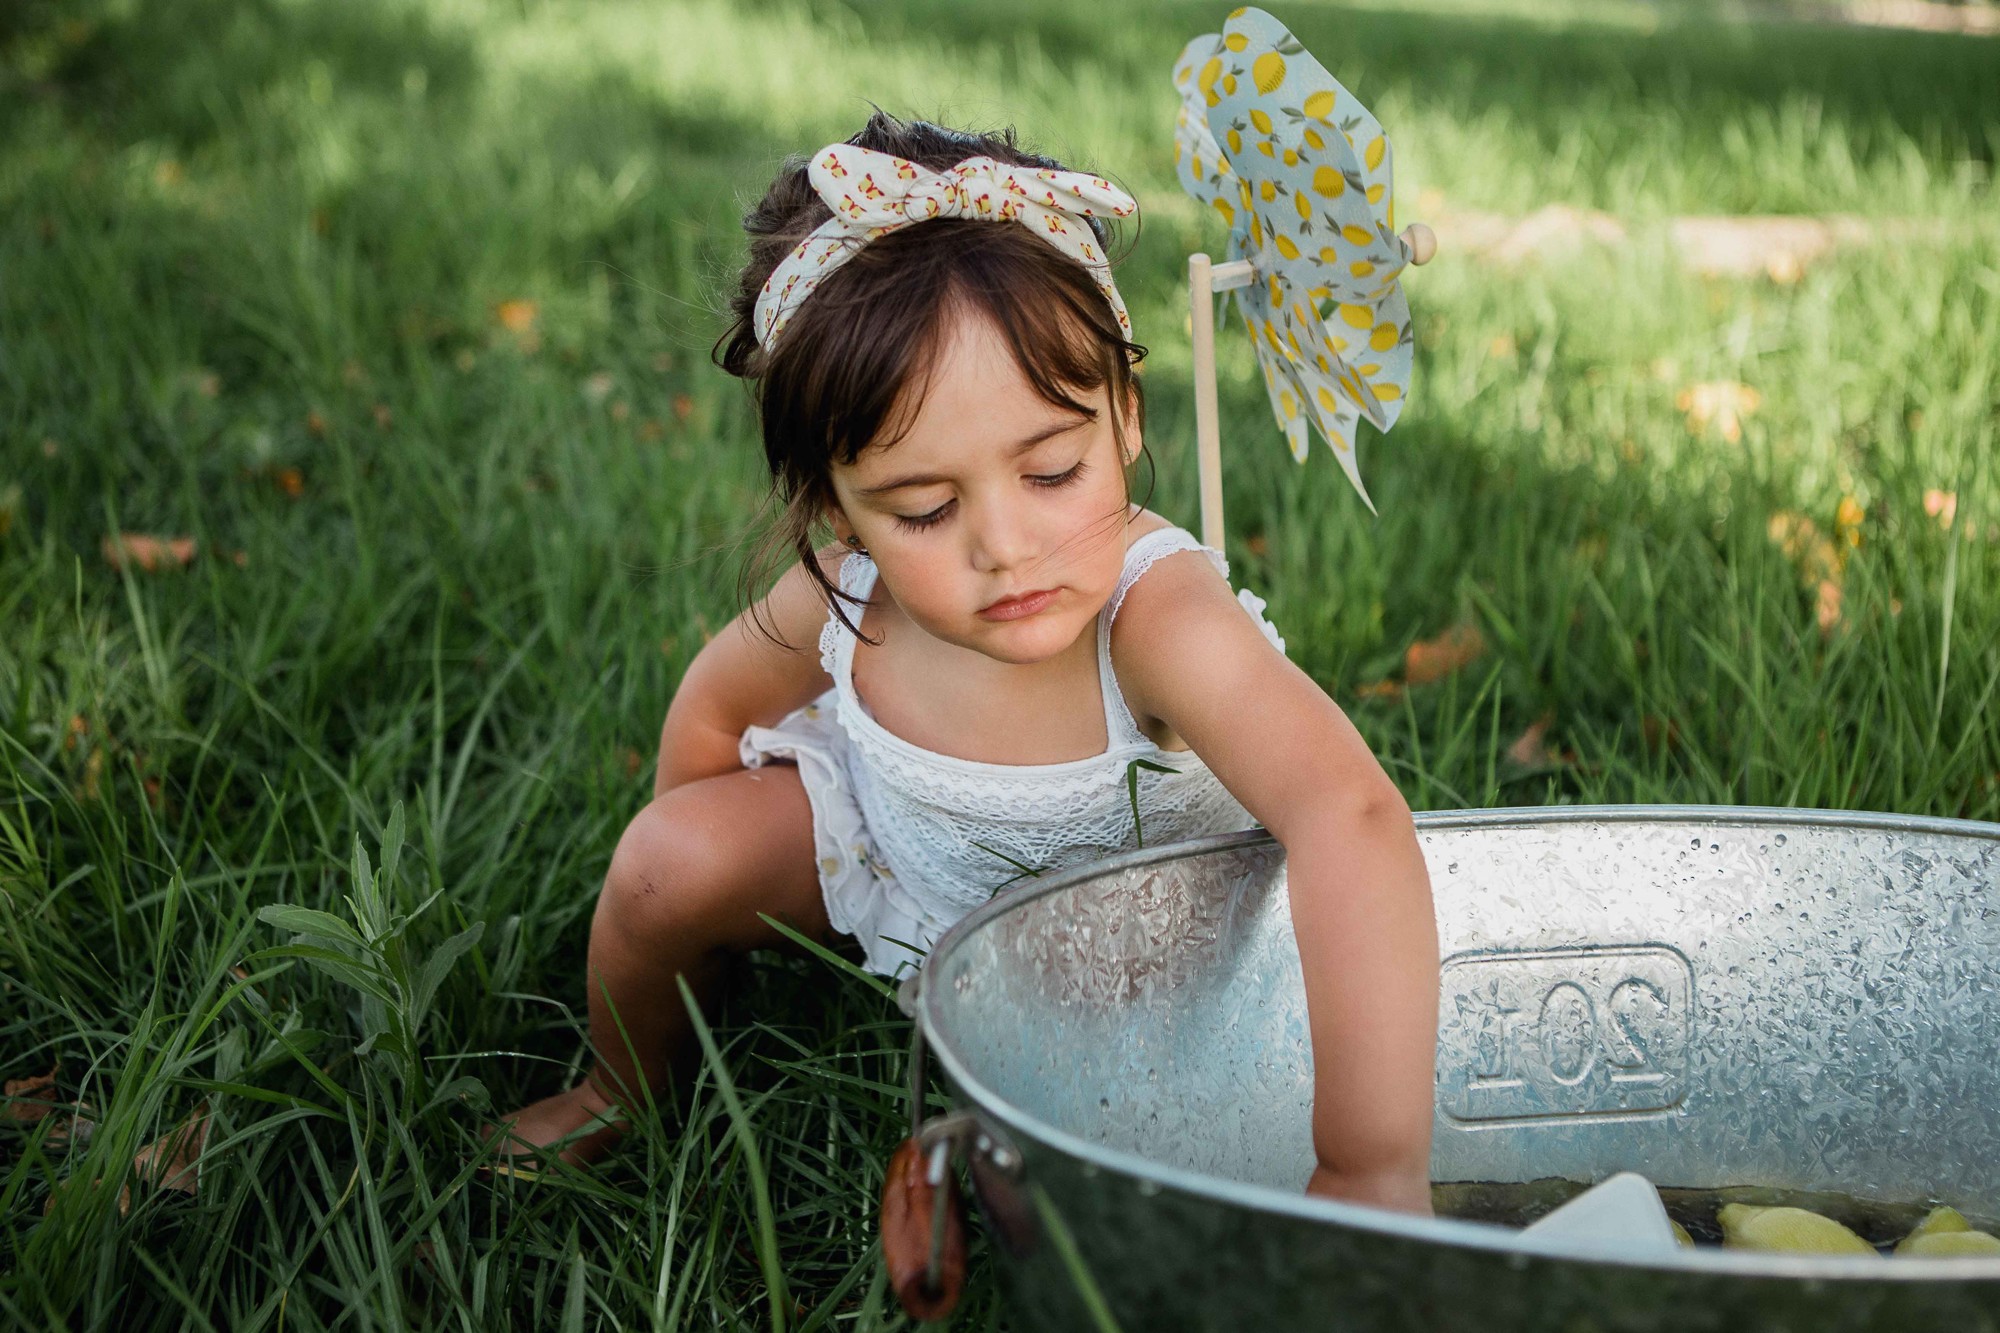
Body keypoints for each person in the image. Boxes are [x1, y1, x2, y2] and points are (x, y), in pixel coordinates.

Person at [492, 112, 1439, 1215]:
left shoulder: (1154, 615)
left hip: (1169, 952)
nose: (1005, 544)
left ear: (1122, 417)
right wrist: (704, 886)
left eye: (1050, 472)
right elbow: (713, 709)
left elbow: (1349, 816)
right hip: (920, 877)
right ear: (833, 510)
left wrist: (1366, 1161)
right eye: (926, 508)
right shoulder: (846, 595)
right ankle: (621, 1085)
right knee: (663, 860)